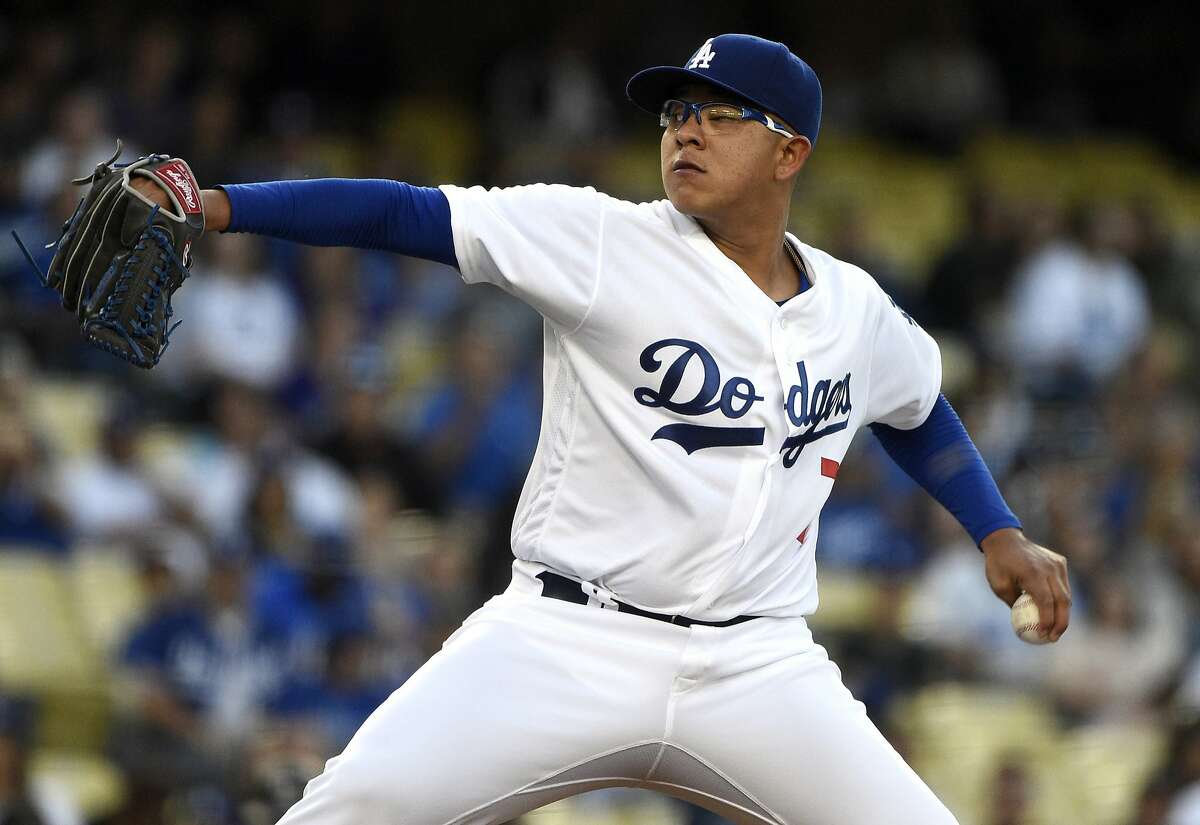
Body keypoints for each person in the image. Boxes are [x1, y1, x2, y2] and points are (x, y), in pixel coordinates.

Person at [132, 33, 1072, 825]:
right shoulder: (599, 240)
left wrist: (996, 529)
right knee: (347, 811)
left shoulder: (856, 309)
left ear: (791, 154)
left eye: (720, 113)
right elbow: (404, 212)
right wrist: (221, 206)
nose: (686, 131)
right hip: (566, 639)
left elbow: (917, 408)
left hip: (757, 662)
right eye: (675, 113)